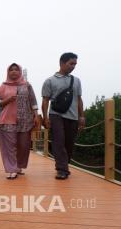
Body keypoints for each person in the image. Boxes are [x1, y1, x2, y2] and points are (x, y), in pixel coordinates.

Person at [42, 52, 85, 180]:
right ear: (62, 63)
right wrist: (45, 117)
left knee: (69, 143)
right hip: (56, 115)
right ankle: (62, 169)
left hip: (73, 116)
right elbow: (45, 100)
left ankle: (64, 165)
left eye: (75, 64)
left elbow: (79, 99)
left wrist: (82, 117)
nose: (73, 66)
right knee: (58, 142)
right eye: (71, 63)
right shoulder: (50, 81)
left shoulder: (76, 81)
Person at [0, 63, 39, 179]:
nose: (14, 72)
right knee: (10, 146)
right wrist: (7, 100)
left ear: (20, 72)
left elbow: (33, 101)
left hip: (25, 120)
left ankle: (19, 166)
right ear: (7, 72)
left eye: (16, 70)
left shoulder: (27, 85)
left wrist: (36, 115)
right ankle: (12, 169)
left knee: (23, 145)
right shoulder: (3, 87)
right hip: (8, 119)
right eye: (11, 70)